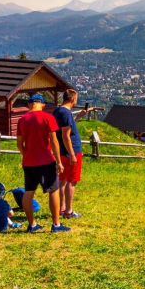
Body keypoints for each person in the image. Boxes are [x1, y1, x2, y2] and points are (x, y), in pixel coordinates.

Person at [17, 93, 71, 233]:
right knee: (53, 190)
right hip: (46, 161)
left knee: (28, 193)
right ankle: (56, 225)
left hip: (28, 162)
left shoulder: (22, 119)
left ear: (29, 104)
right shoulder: (48, 117)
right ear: (42, 105)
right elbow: (54, 142)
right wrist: (59, 162)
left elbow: (19, 144)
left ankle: (32, 225)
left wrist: (26, 155)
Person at [53, 89, 87, 219]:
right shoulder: (66, 113)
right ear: (73, 99)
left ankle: (61, 208)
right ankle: (69, 211)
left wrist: (78, 117)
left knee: (62, 180)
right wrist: (72, 154)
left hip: (61, 151)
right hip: (70, 152)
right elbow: (66, 135)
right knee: (71, 181)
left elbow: (67, 127)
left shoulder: (57, 111)